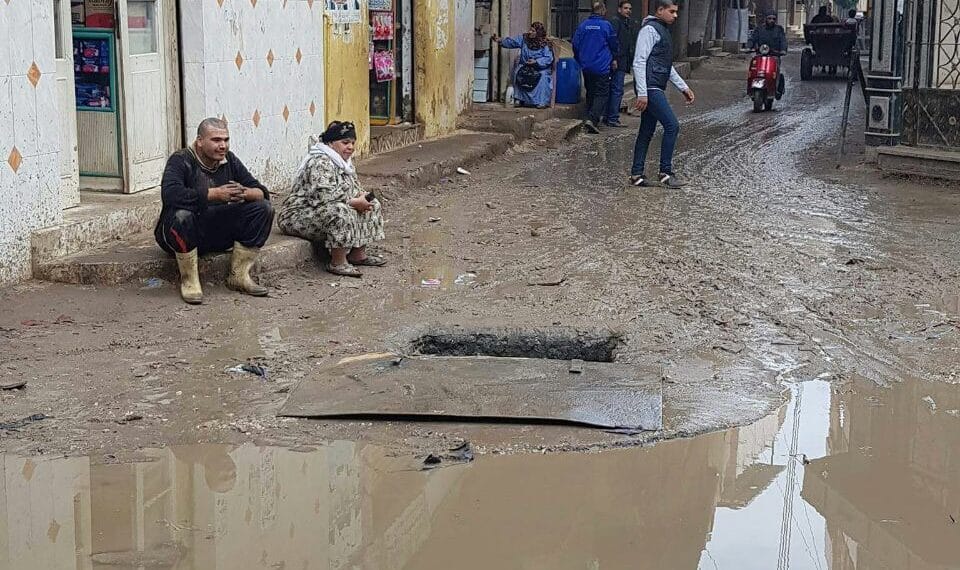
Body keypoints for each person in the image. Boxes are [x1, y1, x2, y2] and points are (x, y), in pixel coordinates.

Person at [155, 118, 274, 304]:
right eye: (216, 140)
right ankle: (190, 280)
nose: (223, 146)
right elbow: (171, 195)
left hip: (214, 231)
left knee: (263, 208)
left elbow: (261, 191)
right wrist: (213, 194)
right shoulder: (180, 160)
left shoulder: (230, 160)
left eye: (226, 140)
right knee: (181, 216)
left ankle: (239, 275)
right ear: (200, 141)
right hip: (181, 234)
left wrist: (246, 193)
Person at [278, 121, 385, 278]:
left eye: (352, 143)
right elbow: (323, 198)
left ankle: (358, 254)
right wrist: (354, 202)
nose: (350, 147)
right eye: (345, 142)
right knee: (339, 211)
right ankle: (338, 262)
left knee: (371, 204)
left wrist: (362, 198)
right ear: (331, 143)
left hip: (322, 210)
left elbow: (353, 189)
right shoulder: (319, 162)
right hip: (298, 214)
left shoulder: (343, 163)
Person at [629, 0, 695, 189]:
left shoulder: (663, 31)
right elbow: (639, 61)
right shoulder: (649, 30)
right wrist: (642, 93)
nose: (675, 15)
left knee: (646, 131)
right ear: (659, 10)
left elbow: (667, 66)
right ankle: (665, 173)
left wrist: (683, 87)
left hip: (654, 86)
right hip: (650, 87)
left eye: (676, 12)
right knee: (672, 126)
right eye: (671, 11)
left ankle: (637, 175)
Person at [572, 2, 618, 133]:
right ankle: (592, 119)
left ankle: (588, 116)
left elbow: (575, 44)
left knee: (590, 91)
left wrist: (579, 59)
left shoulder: (583, 25)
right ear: (603, 11)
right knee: (602, 93)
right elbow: (613, 43)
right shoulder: (606, 26)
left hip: (586, 65)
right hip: (602, 66)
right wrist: (614, 57)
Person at [493, 23, 554, 109]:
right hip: (526, 65)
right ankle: (519, 99)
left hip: (540, 68)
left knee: (543, 76)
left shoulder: (545, 43)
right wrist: (500, 40)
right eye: (530, 30)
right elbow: (512, 42)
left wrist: (536, 62)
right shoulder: (524, 39)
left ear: (538, 32)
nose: (530, 32)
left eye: (533, 31)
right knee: (518, 71)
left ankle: (541, 101)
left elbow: (548, 58)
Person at [605, 0, 637, 127]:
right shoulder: (616, 22)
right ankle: (612, 118)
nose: (628, 10)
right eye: (625, 8)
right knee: (616, 89)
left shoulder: (627, 23)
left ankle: (610, 117)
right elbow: (613, 42)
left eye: (629, 8)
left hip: (623, 61)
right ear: (619, 9)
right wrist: (613, 59)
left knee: (616, 89)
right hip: (617, 61)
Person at [749, 11, 787, 97]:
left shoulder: (779, 29)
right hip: (760, 54)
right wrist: (749, 47)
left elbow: (783, 40)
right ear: (765, 19)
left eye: (773, 19)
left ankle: (776, 88)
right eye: (769, 18)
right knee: (754, 66)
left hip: (774, 55)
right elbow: (752, 39)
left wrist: (783, 50)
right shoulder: (759, 29)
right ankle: (750, 86)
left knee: (776, 68)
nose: (771, 20)